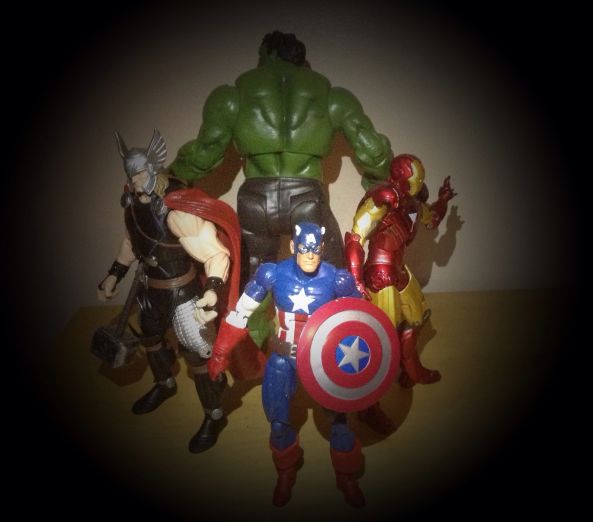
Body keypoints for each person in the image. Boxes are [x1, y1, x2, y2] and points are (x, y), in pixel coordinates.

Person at [169, 30, 393, 282]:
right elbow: (374, 152)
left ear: (267, 53)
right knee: (327, 277)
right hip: (307, 198)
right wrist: (380, 185)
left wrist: (171, 178)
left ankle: (256, 309)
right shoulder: (331, 96)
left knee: (255, 279)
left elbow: (205, 152)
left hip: (255, 199)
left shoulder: (232, 96)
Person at [97, 129, 242, 453]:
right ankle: (164, 382)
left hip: (183, 293)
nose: (136, 181)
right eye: (131, 175)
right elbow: (131, 243)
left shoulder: (176, 211)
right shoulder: (132, 206)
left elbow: (215, 253)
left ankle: (214, 414)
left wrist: (212, 291)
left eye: (140, 173)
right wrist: (113, 276)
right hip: (150, 289)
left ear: (153, 169)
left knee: (197, 353)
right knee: (149, 336)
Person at [206, 222, 366, 508]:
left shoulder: (336, 279)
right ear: (293, 246)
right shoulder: (273, 274)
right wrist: (220, 351)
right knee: (278, 423)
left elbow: (362, 321)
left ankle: (346, 475)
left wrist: (361, 366)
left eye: (315, 249)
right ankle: (286, 469)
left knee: (340, 421)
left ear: (323, 248)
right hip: (283, 357)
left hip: (322, 360)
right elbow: (241, 311)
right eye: (304, 248)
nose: (310, 255)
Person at [345, 154, 457, 391]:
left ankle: (411, 369)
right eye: (416, 178)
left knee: (416, 318)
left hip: (398, 269)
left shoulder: (412, 205)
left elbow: (432, 219)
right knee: (381, 337)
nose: (420, 183)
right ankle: (370, 400)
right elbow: (356, 237)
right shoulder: (384, 198)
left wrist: (443, 200)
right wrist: (355, 279)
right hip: (379, 274)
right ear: (402, 177)